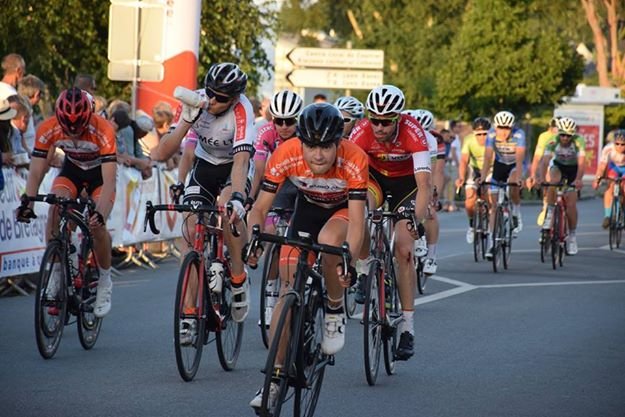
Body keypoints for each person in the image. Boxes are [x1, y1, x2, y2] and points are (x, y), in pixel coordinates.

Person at [246, 103, 367, 409]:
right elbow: (259, 208)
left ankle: (335, 308)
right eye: (311, 146)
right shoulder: (286, 153)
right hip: (307, 210)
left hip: (341, 211)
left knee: (329, 242)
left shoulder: (354, 158)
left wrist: (349, 261)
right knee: (288, 288)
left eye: (326, 146)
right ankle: (274, 379)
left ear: (338, 143)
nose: (318, 155)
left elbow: (357, 222)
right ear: (300, 142)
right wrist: (254, 239)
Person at [151, 62, 255, 327]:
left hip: (233, 166)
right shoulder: (194, 102)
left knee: (228, 208)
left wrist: (238, 198)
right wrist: (186, 121)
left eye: (220, 97)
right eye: (209, 92)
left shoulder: (242, 109)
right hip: (205, 165)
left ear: (234, 99)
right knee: (189, 229)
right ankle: (189, 311)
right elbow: (161, 154)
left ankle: (238, 277)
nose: (212, 100)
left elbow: (242, 161)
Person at [16, 87, 117, 317]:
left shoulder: (104, 130)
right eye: (67, 128)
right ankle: (56, 272)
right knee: (56, 208)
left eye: (79, 128)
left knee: (97, 225)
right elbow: (36, 172)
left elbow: (110, 180)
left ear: (89, 118)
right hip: (72, 171)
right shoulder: (47, 128)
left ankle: (105, 281)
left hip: (100, 176)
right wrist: (28, 203)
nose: (73, 134)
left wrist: (100, 213)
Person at [350, 85, 431, 360]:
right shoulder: (361, 132)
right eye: (374, 120)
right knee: (358, 212)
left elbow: (424, 185)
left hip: (407, 185)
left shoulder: (413, 132)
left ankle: (408, 327)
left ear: (398, 119)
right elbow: (352, 177)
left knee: (404, 250)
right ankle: (364, 269)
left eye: (386, 122)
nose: (379, 127)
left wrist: (417, 219)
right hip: (375, 180)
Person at [249, 89, 303, 327]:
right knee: (271, 236)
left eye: (289, 121)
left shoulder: (305, 133)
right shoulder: (265, 132)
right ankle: (270, 298)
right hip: (276, 183)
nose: (283, 126)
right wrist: (251, 198)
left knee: (301, 237)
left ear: (297, 119)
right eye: (278, 121)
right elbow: (259, 170)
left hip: (301, 184)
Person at [531, 117, 585, 254]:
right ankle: (549, 213)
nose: (565, 138)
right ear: (559, 133)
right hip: (559, 167)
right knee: (552, 182)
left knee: (571, 204)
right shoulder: (553, 140)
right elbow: (545, 161)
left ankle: (572, 236)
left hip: (573, 169)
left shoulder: (579, 141)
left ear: (572, 135)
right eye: (562, 135)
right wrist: (541, 178)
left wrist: (578, 179)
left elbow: (582, 163)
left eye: (568, 135)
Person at [403, 108, 445, 275]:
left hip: (423, 172)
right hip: (405, 175)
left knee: (430, 212)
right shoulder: (403, 136)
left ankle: (432, 256)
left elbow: (435, 170)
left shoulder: (433, 139)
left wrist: (433, 195)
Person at [480, 110, 526, 259]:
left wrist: (519, 178)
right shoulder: (491, 134)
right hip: (500, 165)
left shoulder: (519, 135)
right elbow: (487, 158)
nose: (504, 132)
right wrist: (482, 177)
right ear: (496, 127)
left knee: (512, 183)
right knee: (494, 207)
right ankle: (491, 243)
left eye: (507, 128)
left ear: (512, 127)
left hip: (514, 165)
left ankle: (516, 212)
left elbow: (519, 159)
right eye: (501, 128)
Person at [456, 117, 492, 243]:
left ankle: (491, 218)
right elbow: (464, 160)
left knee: (489, 193)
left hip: (491, 168)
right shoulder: (469, 140)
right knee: (469, 200)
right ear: (474, 134)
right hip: (475, 169)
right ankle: (472, 225)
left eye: (485, 134)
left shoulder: (493, 140)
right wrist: (461, 177)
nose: (482, 137)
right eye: (479, 134)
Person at [527, 116, 561, 225]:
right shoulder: (544, 137)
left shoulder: (566, 137)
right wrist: (533, 175)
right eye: (554, 128)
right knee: (547, 178)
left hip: (563, 163)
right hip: (549, 162)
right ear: (550, 128)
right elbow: (537, 157)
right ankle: (546, 205)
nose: (556, 131)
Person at [593, 129, 625, 229]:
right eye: (617, 144)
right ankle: (607, 216)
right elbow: (602, 166)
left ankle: (622, 212)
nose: (619, 146)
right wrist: (597, 179)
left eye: (623, 144)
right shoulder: (608, 149)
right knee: (610, 186)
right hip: (613, 167)